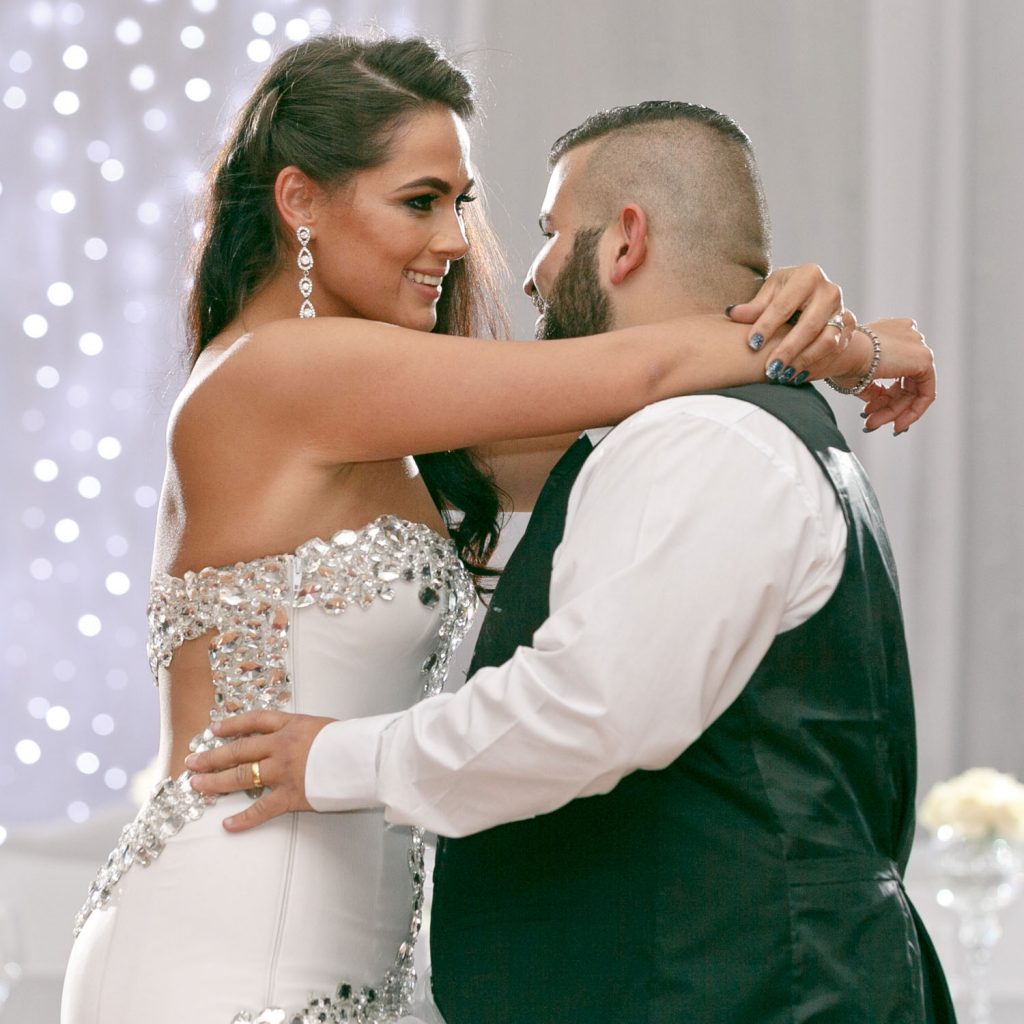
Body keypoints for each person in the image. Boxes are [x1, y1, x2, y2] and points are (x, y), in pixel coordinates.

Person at [61, 31, 933, 1024]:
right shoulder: (278, 371)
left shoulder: (389, 424)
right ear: (301, 201)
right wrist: (847, 345)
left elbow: (635, 402)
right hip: (232, 930)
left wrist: (807, 330)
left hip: (346, 949)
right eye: (420, 201)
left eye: (462, 203)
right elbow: (641, 371)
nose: (456, 240)